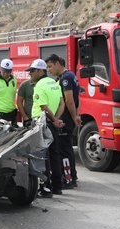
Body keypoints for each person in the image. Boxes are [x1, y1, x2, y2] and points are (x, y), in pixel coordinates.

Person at [26, 59, 65, 197]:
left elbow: (43, 107)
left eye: (32, 71)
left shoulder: (40, 86)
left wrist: (53, 120)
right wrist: (57, 119)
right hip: (52, 124)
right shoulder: (54, 83)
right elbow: (62, 104)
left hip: (41, 124)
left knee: (42, 156)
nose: (29, 74)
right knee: (54, 154)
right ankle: (58, 187)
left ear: (40, 71)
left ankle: (46, 188)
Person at [45, 54, 82, 188]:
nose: (49, 70)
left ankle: (67, 180)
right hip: (69, 118)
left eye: (50, 66)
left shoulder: (65, 78)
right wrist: (77, 115)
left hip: (65, 119)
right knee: (67, 149)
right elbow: (79, 99)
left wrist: (73, 117)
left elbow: (69, 100)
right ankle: (72, 175)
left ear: (57, 63)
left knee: (63, 150)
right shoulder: (71, 75)